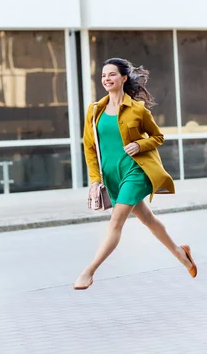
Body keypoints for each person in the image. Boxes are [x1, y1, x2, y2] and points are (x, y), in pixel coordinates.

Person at [73, 58, 197, 290]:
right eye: (103, 75)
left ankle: (88, 272)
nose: (106, 79)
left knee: (115, 222)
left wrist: (140, 145)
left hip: (135, 171)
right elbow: (90, 148)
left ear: (123, 78)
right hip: (112, 176)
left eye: (111, 74)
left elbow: (158, 137)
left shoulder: (137, 110)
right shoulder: (94, 112)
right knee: (148, 219)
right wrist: (95, 180)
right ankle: (181, 254)